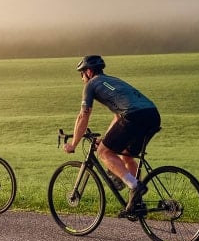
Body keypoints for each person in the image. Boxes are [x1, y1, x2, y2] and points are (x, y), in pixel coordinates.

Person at [63, 55, 161, 214]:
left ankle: (135, 186)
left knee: (103, 152)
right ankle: (137, 203)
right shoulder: (113, 81)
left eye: (81, 74)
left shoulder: (91, 84)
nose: (81, 78)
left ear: (88, 72)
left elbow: (83, 115)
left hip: (133, 116)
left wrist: (73, 143)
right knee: (127, 155)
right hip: (152, 114)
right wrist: (105, 139)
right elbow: (117, 116)